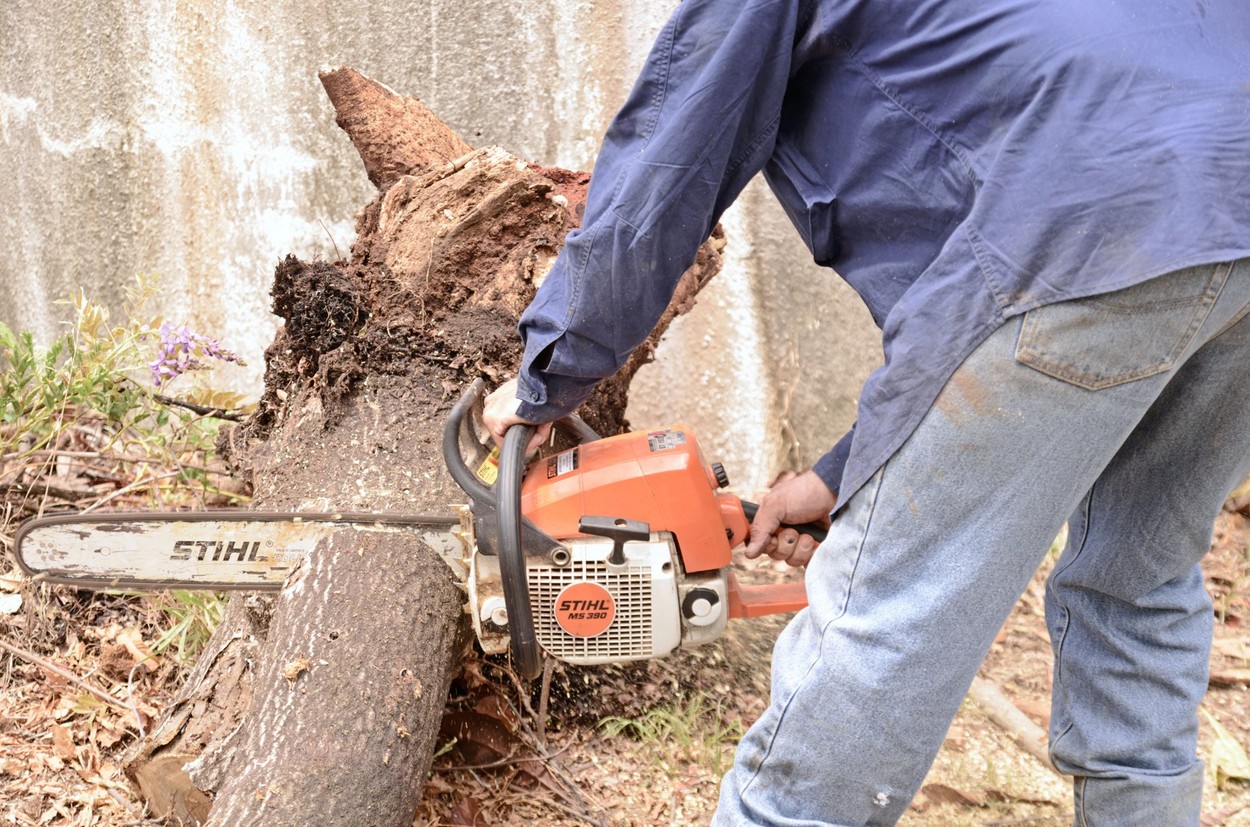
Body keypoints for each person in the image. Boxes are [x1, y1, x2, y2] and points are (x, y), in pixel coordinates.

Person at [482, 1, 1250, 823]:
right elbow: (975, 310)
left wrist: (545, 376)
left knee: (886, 620)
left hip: (1085, 208)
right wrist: (839, 475)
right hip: (1227, 201)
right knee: (1138, 578)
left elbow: (669, 161)